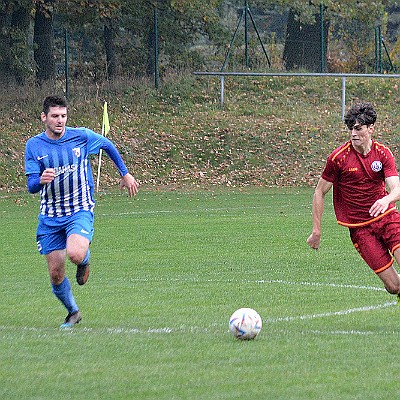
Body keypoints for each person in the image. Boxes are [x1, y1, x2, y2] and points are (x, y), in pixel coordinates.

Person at [25, 95, 139, 328]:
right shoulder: (34, 145)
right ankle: (73, 312)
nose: (60, 121)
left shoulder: (81, 136)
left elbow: (107, 145)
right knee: (56, 274)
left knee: (75, 254)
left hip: (79, 209)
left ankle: (84, 261)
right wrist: (41, 180)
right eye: (55, 116)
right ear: (44, 117)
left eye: (63, 116)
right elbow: (30, 186)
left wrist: (124, 173)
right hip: (50, 216)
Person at [307, 102, 400, 300]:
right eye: (351, 129)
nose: (353, 133)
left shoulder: (383, 154)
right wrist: (316, 230)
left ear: (371, 128)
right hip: (360, 229)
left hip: (388, 219)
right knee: (393, 286)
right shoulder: (338, 158)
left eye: (358, 128)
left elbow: (396, 188)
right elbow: (319, 192)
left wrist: (387, 200)